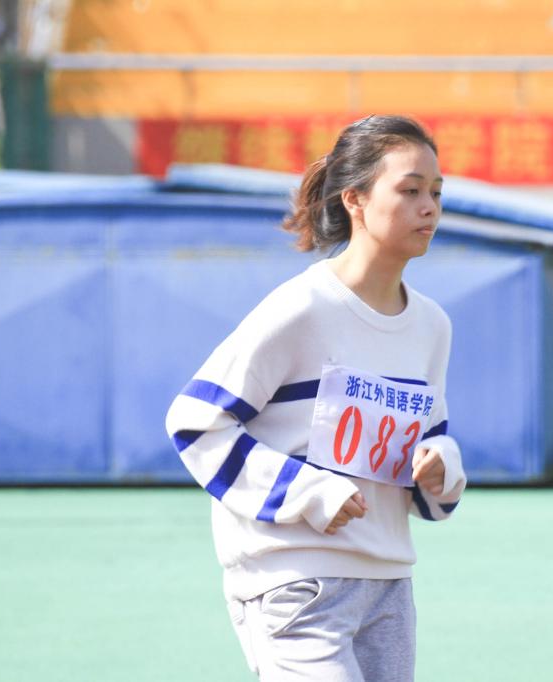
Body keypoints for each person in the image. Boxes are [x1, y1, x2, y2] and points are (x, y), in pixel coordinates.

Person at [164, 115, 466, 681]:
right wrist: (306, 491)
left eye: (435, 192)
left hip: (388, 585)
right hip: (293, 581)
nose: (428, 207)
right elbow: (195, 422)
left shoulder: (432, 326)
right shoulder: (301, 307)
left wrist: (441, 466)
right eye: (409, 190)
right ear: (355, 199)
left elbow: (431, 446)